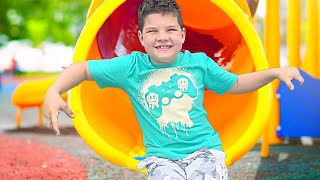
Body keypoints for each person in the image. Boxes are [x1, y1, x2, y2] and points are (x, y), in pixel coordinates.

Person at [43, 0, 304, 179]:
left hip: (205, 150)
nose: (162, 36)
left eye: (170, 30)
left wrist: (274, 73)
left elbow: (236, 84)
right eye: (153, 31)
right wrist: (55, 91)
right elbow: (83, 69)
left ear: (182, 34)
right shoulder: (132, 67)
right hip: (162, 158)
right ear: (142, 38)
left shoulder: (198, 63)